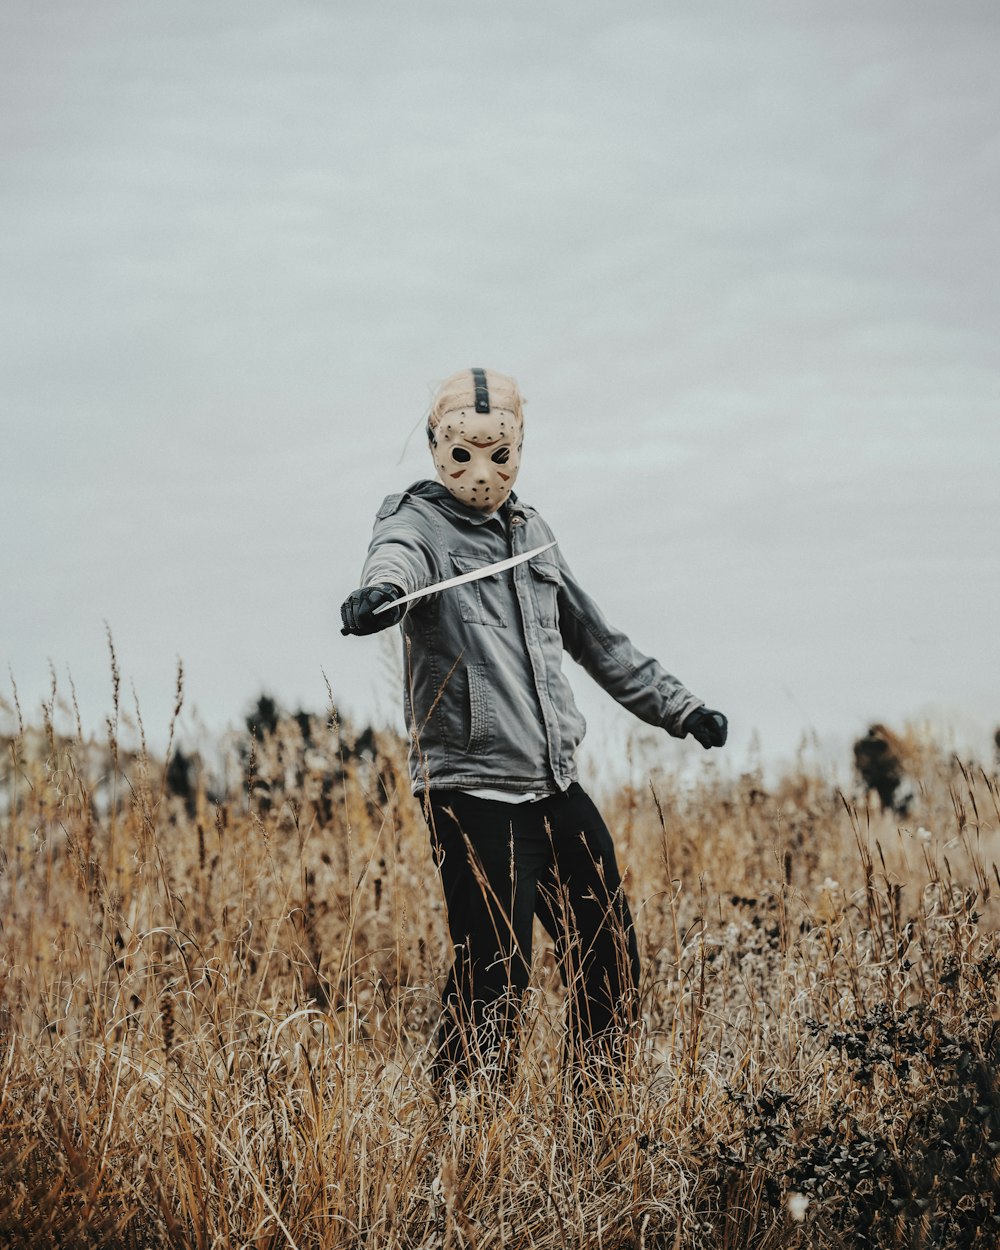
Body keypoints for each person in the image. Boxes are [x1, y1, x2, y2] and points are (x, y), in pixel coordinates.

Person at [340, 367, 727, 1089]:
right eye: (463, 453)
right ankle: (462, 1139)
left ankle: (597, 1123)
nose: (482, 471)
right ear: (434, 447)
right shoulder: (414, 522)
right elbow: (395, 560)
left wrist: (681, 709)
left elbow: (599, 642)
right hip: (470, 790)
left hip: (553, 786)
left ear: (522, 446)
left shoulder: (531, 532)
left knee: (607, 953)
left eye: (500, 452)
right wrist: (380, 595)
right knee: (495, 973)